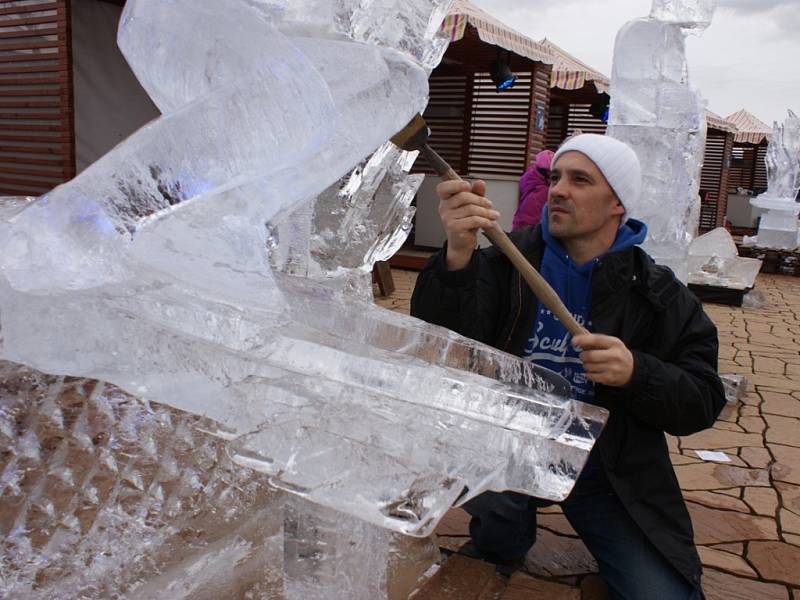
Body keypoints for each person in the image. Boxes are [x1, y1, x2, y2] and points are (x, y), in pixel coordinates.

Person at [410, 134, 725, 599]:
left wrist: (637, 372)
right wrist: (457, 255)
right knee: (497, 533)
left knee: (660, 595)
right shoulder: (505, 262)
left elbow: (703, 398)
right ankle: (504, 531)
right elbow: (443, 346)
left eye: (580, 180)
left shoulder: (657, 293)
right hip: (506, 450)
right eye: (555, 177)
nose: (557, 189)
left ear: (617, 202)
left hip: (604, 466)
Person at [512, 149, 554, 231]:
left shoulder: (531, 177)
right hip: (527, 235)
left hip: (520, 230)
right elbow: (530, 221)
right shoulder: (541, 191)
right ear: (547, 172)